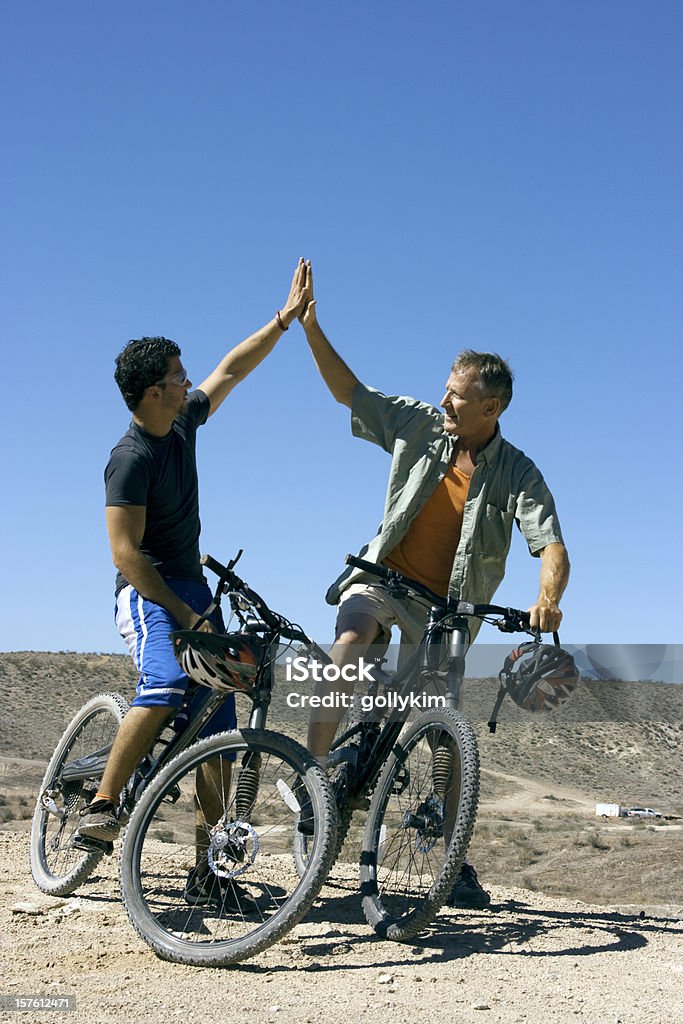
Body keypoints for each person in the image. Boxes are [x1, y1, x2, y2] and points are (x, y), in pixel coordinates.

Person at [299, 262, 570, 909]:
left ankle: (448, 854)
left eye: (456, 394)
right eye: (445, 390)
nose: (444, 400)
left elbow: (550, 542)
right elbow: (350, 392)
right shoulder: (420, 425)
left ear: (490, 406)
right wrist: (311, 327)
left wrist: (548, 598)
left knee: (444, 731)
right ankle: (314, 778)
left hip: (447, 613)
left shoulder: (517, 473)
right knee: (352, 634)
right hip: (383, 577)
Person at [75, 260, 309, 907]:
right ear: (155, 390)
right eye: (178, 374)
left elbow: (231, 369)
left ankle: (207, 868)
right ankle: (101, 805)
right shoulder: (129, 460)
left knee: (220, 723)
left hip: (192, 592)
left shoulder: (181, 423)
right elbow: (126, 555)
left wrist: (283, 321)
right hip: (148, 591)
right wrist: (183, 609)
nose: (188, 380)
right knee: (171, 682)